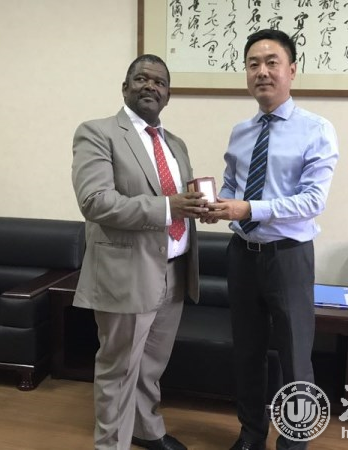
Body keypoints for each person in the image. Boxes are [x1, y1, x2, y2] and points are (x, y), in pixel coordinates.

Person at [204, 30, 339, 450]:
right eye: (253, 64)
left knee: (296, 357)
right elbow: (232, 185)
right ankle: (251, 435)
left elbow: (313, 200)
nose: (261, 71)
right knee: (247, 352)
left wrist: (249, 208)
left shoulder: (317, 129)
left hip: (288, 256)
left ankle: (294, 443)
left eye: (271, 62)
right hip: (242, 254)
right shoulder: (240, 132)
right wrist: (216, 204)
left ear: (292, 70)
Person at [71, 54, 207, 450]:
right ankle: (112, 444)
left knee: (150, 365)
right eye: (142, 78)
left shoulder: (175, 144)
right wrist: (168, 207)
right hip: (127, 272)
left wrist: (200, 208)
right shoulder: (97, 133)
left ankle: (147, 430)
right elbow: (95, 201)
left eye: (160, 82)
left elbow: (181, 202)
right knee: (119, 368)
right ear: (125, 87)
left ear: (168, 95)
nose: (151, 86)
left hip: (175, 269)